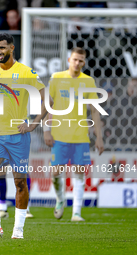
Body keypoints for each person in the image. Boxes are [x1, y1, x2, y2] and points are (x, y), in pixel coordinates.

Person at [0, 33, 49, 239]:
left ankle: (18, 229)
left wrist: (34, 123)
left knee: (20, 182)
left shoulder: (26, 72)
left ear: (12, 48)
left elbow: (46, 98)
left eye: (2, 48)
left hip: (18, 137)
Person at [43, 47, 104, 222]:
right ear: (69, 59)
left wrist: (99, 137)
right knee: (55, 172)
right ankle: (60, 199)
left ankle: (76, 212)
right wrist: (46, 130)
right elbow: (48, 105)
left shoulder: (88, 81)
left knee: (79, 172)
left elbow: (94, 111)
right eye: (75, 59)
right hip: (59, 135)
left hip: (80, 135)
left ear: (84, 62)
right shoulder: (57, 78)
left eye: (81, 61)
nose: (77, 63)